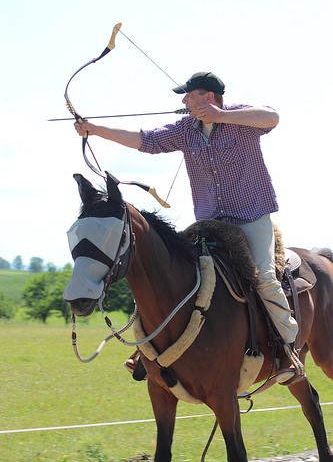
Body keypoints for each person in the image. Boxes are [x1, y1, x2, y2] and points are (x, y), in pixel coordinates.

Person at [74, 71, 305, 384]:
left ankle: (286, 351)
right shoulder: (187, 130)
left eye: (188, 94)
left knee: (263, 276)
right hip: (210, 222)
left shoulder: (241, 118)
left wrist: (222, 115)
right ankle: (147, 349)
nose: (183, 101)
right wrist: (95, 129)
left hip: (251, 217)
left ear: (207, 97)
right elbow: (147, 140)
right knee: (169, 271)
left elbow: (272, 117)